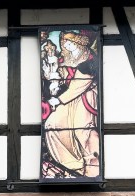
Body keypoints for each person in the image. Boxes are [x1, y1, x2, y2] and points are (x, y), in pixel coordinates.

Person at [42, 30, 100, 178]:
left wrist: (59, 99)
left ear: (79, 41)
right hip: (68, 98)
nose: (67, 45)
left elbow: (80, 85)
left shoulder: (90, 59)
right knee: (52, 124)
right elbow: (64, 79)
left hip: (85, 97)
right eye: (65, 43)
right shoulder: (65, 58)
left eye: (70, 42)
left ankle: (92, 166)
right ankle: (70, 165)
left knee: (82, 131)